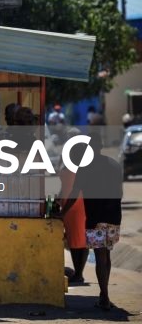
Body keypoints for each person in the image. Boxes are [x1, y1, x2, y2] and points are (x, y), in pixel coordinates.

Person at [60, 133, 123, 310]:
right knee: (106, 255)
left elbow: (74, 194)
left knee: (100, 255)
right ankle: (104, 295)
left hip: (95, 218)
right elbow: (120, 193)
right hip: (113, 216)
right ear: (101, 146)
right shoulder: (114, 165)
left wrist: (63, 213)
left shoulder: (85, 168)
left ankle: (104, 296)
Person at [58, 129, 88, 284]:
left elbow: (76, 189)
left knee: (77, 241)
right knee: (77, 239)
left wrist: (64, 209)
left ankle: (79, 273)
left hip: (75, 205)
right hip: (69, 202)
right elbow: (65, 184)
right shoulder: (68, 159)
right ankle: (78, 272)